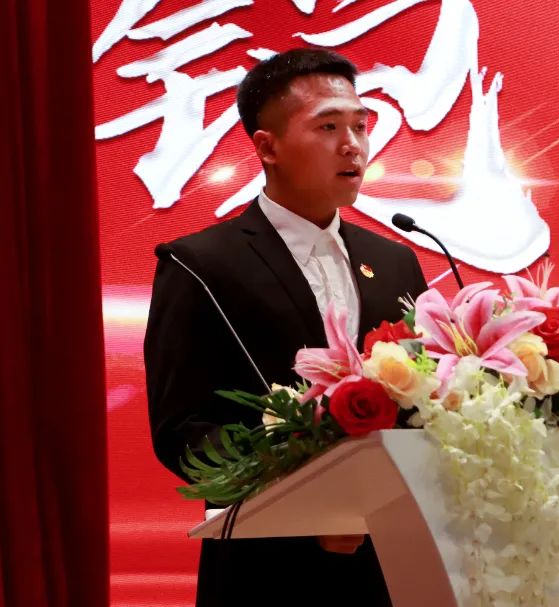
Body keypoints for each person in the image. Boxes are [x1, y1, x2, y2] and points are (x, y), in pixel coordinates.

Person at [144, 48, 427, 607]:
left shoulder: (395, 261)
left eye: (360, 126)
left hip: (393, 564)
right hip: (265, 570)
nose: (352, 144)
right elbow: (182, 429)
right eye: (328, 126)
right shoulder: (201, 264)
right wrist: (309, 501)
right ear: (267, 146)